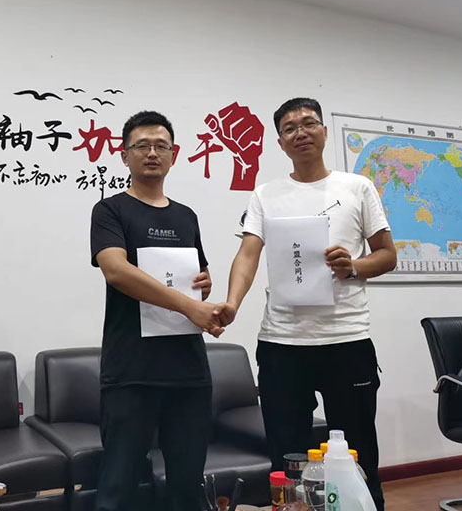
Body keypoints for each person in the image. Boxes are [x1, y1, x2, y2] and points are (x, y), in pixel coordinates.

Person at [220, 98, 397, 511]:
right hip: (282, 344)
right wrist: (231, 303)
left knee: (357, 455)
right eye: (289, 128)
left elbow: (387, 255)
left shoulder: (357, 187)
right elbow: (248, 254)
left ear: (324, 132)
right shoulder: (265, 195)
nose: (300, 132)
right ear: (280, 142)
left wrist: (353, 267)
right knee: (286, 460)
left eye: (308, 123)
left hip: (346, 340)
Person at [90, 110, 226, 511]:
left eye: (161, 146)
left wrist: (203, 284)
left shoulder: (186, 216)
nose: (152, 153)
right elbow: (116, 271)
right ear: (124, 155)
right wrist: (188, 304)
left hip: (188, 370)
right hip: (132, 370)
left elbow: (198, 273)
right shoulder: (110, 210)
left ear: (174, 154)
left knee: (187, 487)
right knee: (119, 487)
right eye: (142, 146)